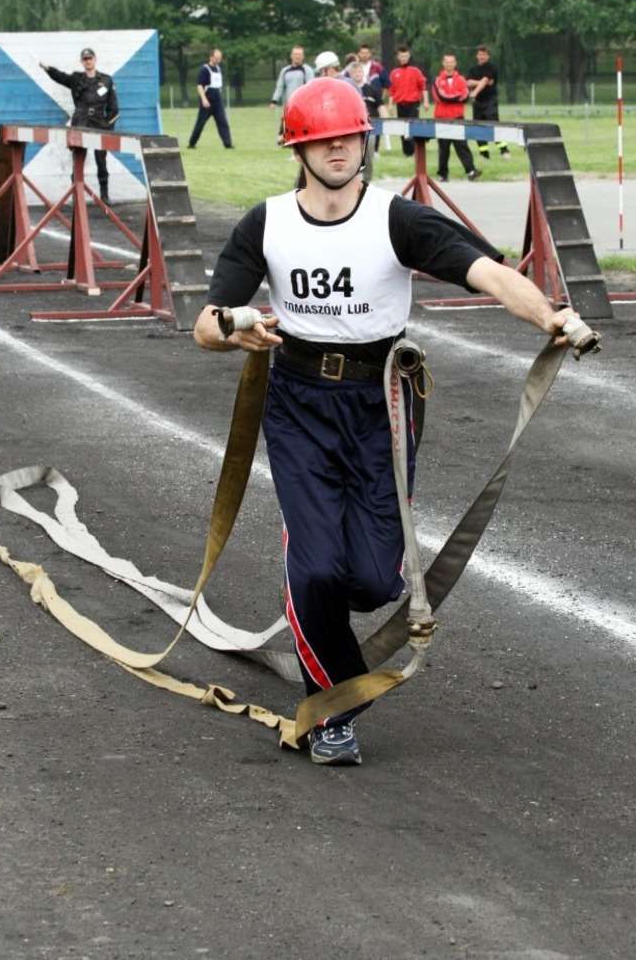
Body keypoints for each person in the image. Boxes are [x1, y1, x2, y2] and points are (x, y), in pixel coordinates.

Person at [193, 77, 578, 767]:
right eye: (321, 139)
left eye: (348, 136)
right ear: (299, 148)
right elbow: (205, 324)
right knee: (315, 571)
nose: (338, 149)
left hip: (382, 407)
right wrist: (234, 327)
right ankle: (330, 712)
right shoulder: (267, 223)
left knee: (372, 582)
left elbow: (489, 274)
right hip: (299, 406)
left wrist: (551, 316)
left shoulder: (395, 218)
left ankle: (328, 661)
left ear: (365, 141)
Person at [39, 47, 119, 204]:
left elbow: (114, 108)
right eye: (85, 59)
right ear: (82, 62)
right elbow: (61, 77)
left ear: (95, 59)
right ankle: (76, 194)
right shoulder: (76, 79)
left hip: (99, 123)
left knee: (101, 159)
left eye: (90, 58)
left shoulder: (107, 80)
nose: (88, 61)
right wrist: (48, 69)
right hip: (80, 121)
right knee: (78, 158)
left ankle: (104, 195)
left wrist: (107, 127)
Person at [431, 53, 481, 181]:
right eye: (447, 62)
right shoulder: (438, 80)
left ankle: (471, 171)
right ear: (443, 63)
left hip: (458, 117)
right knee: (443, 147)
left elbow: (465, 96)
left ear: (455, 63)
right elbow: (440, 97)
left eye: (451, 62)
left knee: (462, 145)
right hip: (442, 118)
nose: (449, 64)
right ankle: (443, 174)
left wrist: (452, 97)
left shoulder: (461, 80)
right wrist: (456, 96)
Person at [466, 44, 511, 160]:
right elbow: (469, 82)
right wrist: (480, 82)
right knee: (478, 126)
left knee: (493, 123)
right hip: (477, 103)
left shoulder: (492, 68)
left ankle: (504, 150)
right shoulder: (472, 69)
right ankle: (484, 153)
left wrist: (474, 92)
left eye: (484, 55)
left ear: (488, 56)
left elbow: (487, 81)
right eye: (480, 54)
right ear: (477, 56)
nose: (481, 57)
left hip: (490, 100)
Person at [389, 43, 429, 156]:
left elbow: (423, 87)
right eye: (401, 56)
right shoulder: (394, 73)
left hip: (413, 104)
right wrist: (390, 105)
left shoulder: (415, 71)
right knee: (402, 128)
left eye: (406, 56)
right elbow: (392, 91)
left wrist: (425, 102)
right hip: (400, 105)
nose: (403, 58)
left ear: (409, 56)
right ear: (398, 57)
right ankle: (407, 152)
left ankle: (415, 149)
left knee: (412, 126)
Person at [188, 48, 233, 150]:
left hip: (218, 101)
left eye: (220, 58)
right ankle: (192, 143)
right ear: (211, 57)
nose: (218, 60)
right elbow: (199, 86)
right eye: (216, 58)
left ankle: (228, 144)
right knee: (200, 123)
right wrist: (204, 99)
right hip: (207, 101)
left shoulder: (218, 69)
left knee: (223, 122)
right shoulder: (204, 69)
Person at [270, 46, 314, 144]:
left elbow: (311, 87)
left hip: (303, 104)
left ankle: (303, 140)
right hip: (289, 104)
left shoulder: (307, 70)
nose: (297, 57)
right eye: (295, 54)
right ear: (291, 56)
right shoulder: (285, 71)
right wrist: (274, 101)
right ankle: (283, 138)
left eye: (299, 55)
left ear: (303, 57)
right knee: (286, 121)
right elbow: (280, 87)